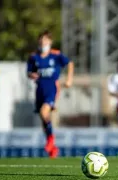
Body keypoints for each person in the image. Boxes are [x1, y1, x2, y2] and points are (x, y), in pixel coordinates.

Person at [27, 30, 74, 158]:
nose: (43, 43)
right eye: (41, 41)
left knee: (44, 112)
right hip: (39, 90)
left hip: (52, 89)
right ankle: (52, 146)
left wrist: (69, 79)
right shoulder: (34, 57)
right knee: (43, 118)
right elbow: (29, 72)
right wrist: (32, 74)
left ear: (50, 42)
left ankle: (51, 139)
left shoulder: (56, 55)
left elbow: (69, 63)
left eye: (46, 40)